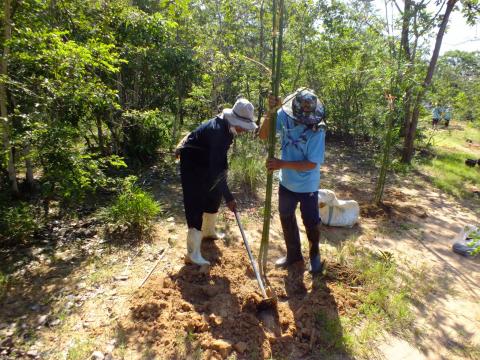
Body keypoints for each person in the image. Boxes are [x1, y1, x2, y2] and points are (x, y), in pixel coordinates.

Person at [177, 98, 257, 265]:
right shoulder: (218, 132)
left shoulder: (226, 127)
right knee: (195, 201)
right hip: (192, 162)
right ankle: (193, 253)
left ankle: (208, 232)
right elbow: (216, 170)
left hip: (206, 161)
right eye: (243, 126)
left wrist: (224, 192)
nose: (244, 130)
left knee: (214, 195)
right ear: (235, 120)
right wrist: (229, 197)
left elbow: (218, 163)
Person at [259, 88, 326, 274]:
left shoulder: (318, 129)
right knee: (286, 215)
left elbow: (311, 164)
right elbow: (263, 135)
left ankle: (314, 255)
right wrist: (270, 112)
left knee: (311, 222)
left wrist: (282, 163)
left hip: (308, 185)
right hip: (286, 182)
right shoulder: (285, 115)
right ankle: (293, 254)